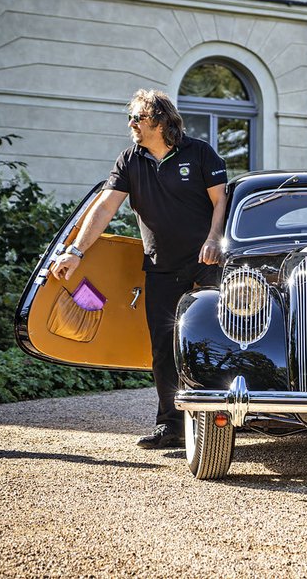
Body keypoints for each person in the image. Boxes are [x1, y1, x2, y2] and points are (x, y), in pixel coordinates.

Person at [50, 89, 228, 449]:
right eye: (130, 118)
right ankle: (172, 426)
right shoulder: (130, 160)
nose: (131, 124)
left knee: (214, 341)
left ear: (160, 121)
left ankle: (223, 421)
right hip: (161, 266)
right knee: (164, 346)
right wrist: (75, 252)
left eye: (137, 117)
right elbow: (104, 209)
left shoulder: (199, 153)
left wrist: (214, 240)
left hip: (207, 264)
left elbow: (221, 199)